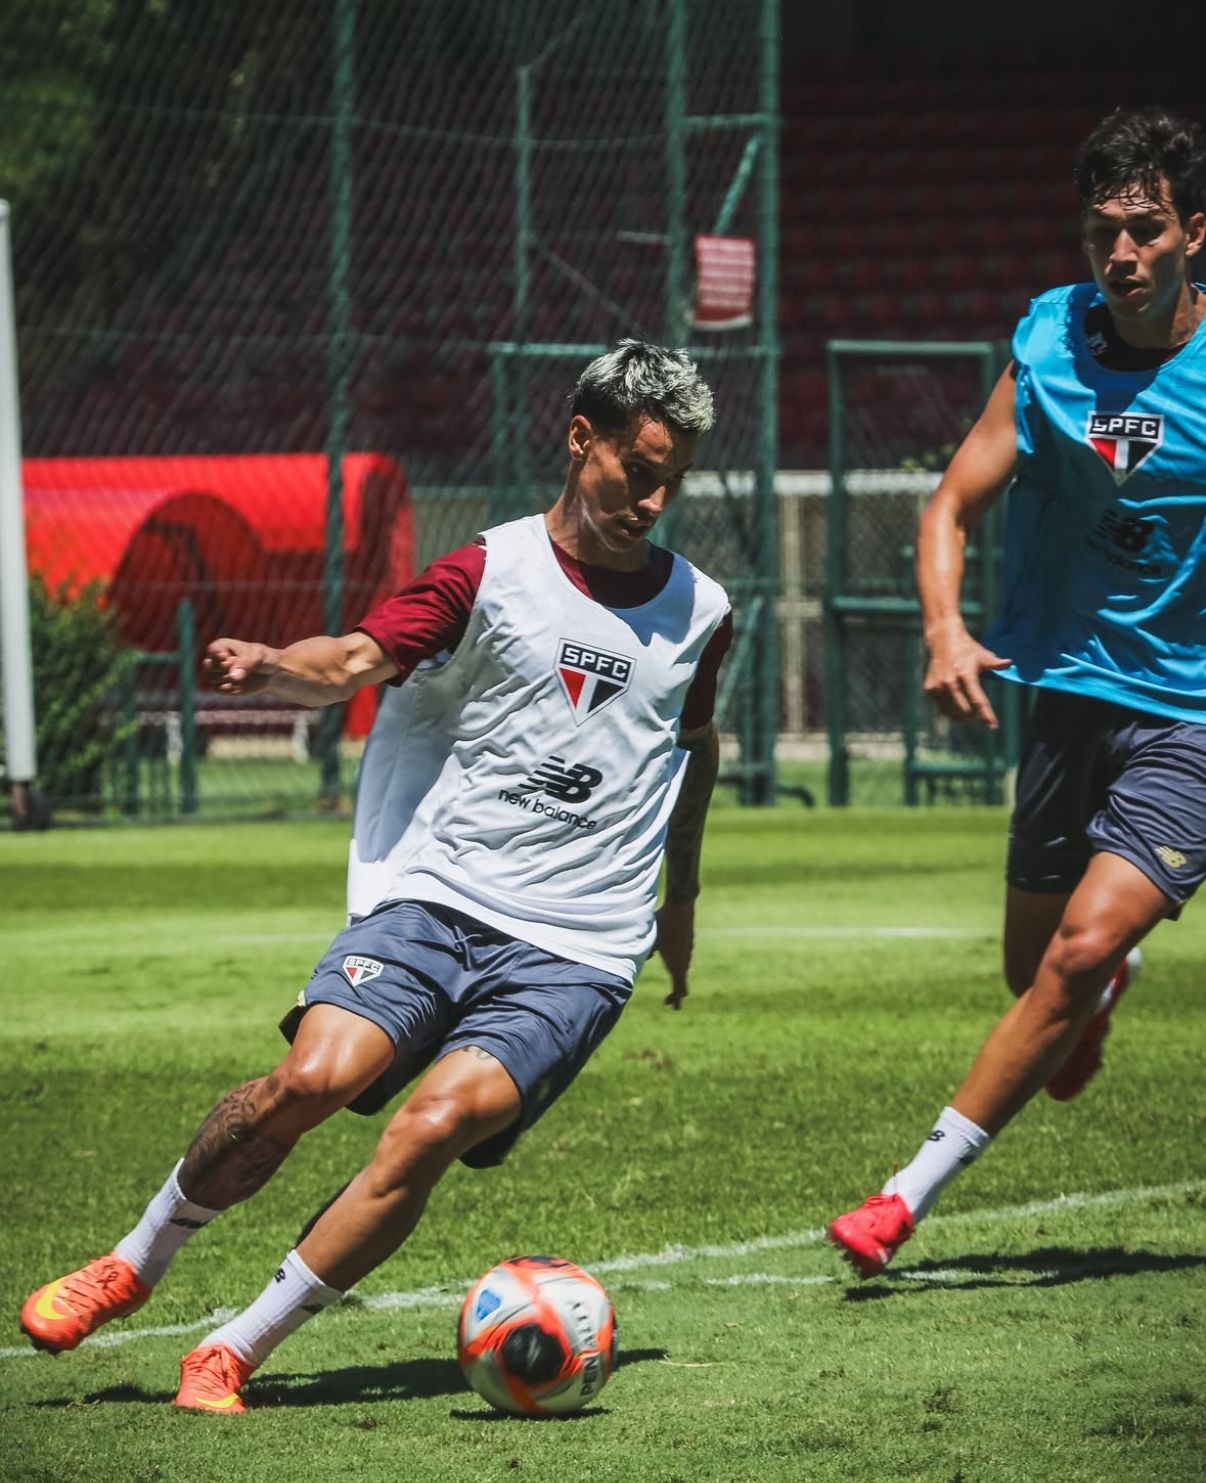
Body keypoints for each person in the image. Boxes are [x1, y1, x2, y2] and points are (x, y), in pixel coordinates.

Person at [20, 340, 733, 1407]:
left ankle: (236, 1346)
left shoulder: (704, 612)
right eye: (640, 466)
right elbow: (352, 658)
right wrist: (271, 667)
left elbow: (697, 746)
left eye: (674, 477)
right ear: (581, 440)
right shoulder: (488, 571)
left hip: (578, 947)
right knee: (311, 1080)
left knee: (431, 1124)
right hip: (439, 897)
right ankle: (136, 1260)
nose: (656, 496)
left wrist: (679, 900)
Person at [829, 104, 1206, 1278]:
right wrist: (946, 630)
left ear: (1197, 231)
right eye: (1103, 233)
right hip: (1067, 701)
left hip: (1193, 716)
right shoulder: (1050, 341)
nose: (1122, 255)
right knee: (1031, 969)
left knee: (1074, 954)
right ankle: (1100, 989)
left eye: (1145, 230)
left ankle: (900, 1201)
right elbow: (948, 505)